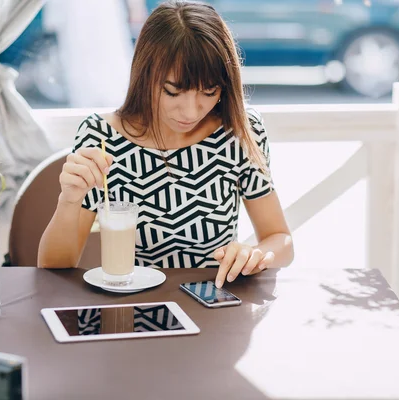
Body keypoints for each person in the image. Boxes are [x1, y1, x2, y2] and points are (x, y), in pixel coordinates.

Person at [38, 1, 294, 288]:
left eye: (209, 92)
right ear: (145, 75)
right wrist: (70, 199)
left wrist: (256, 254)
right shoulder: (102, 136)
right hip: (134, 306)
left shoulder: (239, 130)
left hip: (217, 304)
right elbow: (55, 265)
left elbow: (281, 240)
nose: (191, 111)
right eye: (173, 92)